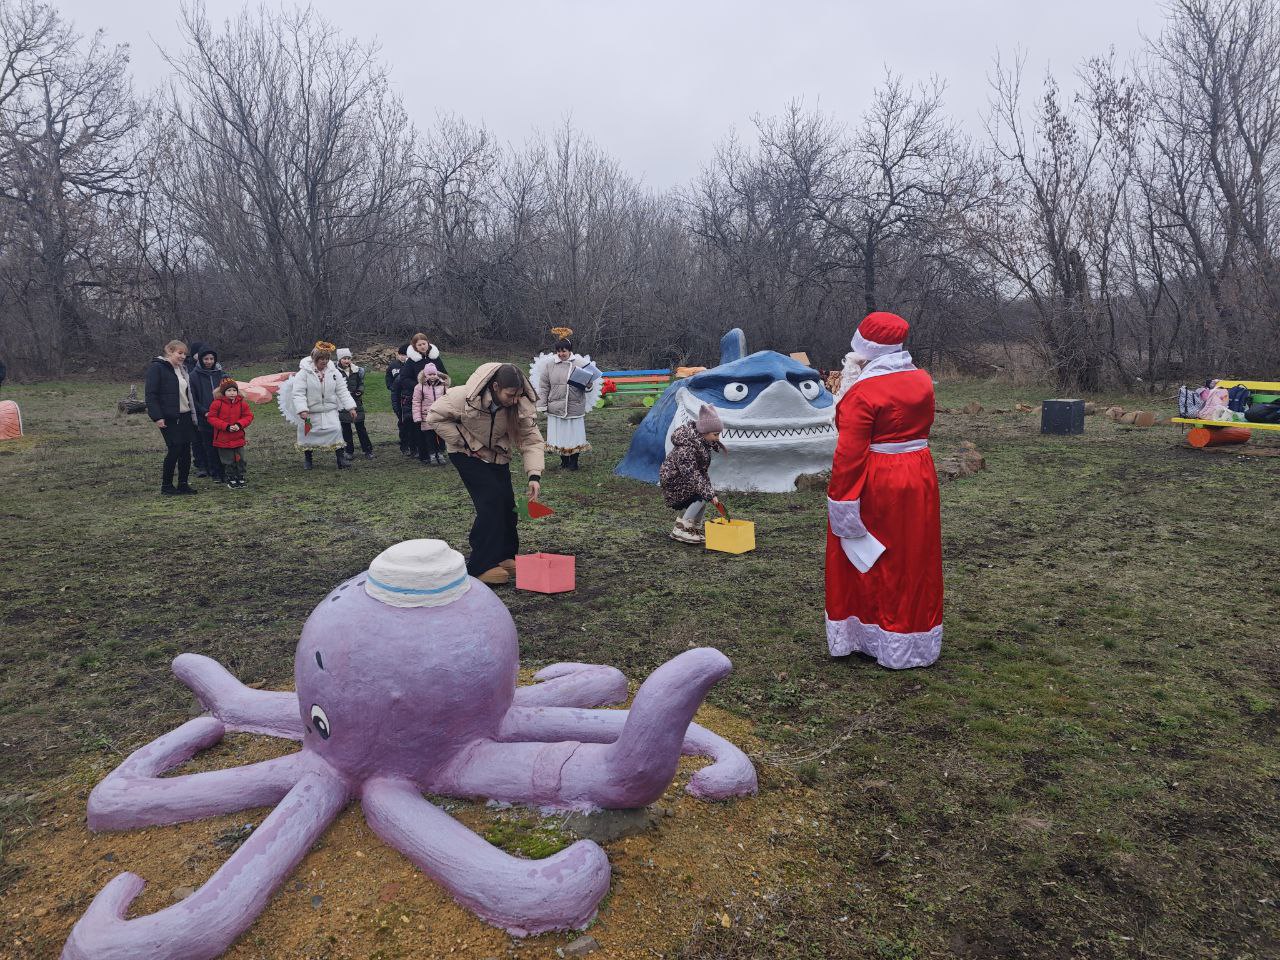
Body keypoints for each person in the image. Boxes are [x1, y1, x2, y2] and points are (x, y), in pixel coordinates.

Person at [826, 311, 943, 670]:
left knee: (874, 558)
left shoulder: (864, 391)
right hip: (919, 472)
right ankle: (913, 638)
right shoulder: (922, 379)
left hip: (879, 478)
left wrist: (842, 501)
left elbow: (849, 454)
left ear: (865, 347)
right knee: (914, 556)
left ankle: (873, 635)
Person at [425, 362, 544, 586]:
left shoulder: (520, 405)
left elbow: (531, 440)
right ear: (496, 387)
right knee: (490, 500)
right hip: (465, 454)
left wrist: (534, 475)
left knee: (507, 504)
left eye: (518, 395)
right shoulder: (463, 396)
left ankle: (504, 555)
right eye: (510, 395)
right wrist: (469, 444)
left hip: (497, 454)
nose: (515, 400)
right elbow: (434, 417)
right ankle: (481, 565)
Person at [279, 341, 359, 470]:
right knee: (307, 433)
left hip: (329, 409)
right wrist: (302, 409)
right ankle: (308, 459)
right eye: (322, 359)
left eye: (327, 358)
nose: (325, 361)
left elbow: (342, 390)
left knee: (336, 430)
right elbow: (298, 393)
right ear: (315, 358)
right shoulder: (303, 373)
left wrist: (351, 407)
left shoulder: (334, 372)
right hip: (310, 411)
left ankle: (340, 459)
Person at [659, 404, 725, 544]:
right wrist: (708, 493)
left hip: (685, 479)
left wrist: (710, 493)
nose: (718, 438)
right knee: (701, 495)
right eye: (715, 434)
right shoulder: (687, 448)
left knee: (704, 496)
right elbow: (692, 475)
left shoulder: (701, 444)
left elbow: (701, 472)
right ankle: (681, 529)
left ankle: (693, 528)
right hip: (674, 481)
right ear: (704, 432)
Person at [144, 339, 199, 495]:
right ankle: (167, 486)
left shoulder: (182, 370)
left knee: (185, 451)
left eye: (184, 354)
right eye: (179, 353)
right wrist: (157, 416)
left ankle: (183, 484)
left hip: (186, 415)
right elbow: (151, 394)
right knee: (175, 449)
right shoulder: (157, 368)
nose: (182, 357)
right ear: (169, 351)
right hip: (169, 417)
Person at [536, 335, 592, 470]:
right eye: (558, 351)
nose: (561, 354)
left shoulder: (580, 364)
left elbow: (587, 385)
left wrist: (588, 385)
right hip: (556, 406)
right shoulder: (549, 366)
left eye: (564, 351)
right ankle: (564, 461)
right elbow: (544, 387)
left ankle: (574, 462)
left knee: (574, 435)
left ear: (569, 350)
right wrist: (542, 404)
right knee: (559, 435)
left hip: (574, 406)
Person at [393, 333, 448, 460]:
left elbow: (444, 375)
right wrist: (420, 387)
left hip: (436, 397)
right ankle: (424, 453)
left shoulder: (435, 358)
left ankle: (439, 450)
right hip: (420, 397)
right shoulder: (411, 361)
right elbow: (404, 379)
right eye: (419, 345)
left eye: (424, 343)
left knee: (438, 424)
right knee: (422, 427)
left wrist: (440, 385)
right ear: (415, 346)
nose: (423, 346)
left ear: (428, 343)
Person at [189, 345, 227, 482]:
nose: (209, 361)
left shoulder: (221, 374)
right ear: (201, 359)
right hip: (205, 417)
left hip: (222, 416)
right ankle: (214, 472)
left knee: (223, 445)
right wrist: (204, 412)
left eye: (211, 359)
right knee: (210, 446)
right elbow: (193, 398)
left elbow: (230, 392)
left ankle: (226, 470)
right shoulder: (193, 376)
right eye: (206, 359)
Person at [206, 378, 254, 488]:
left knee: (241, 459)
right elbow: (212, 418)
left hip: (238, 437)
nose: (232, 393)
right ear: (223, 392)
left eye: (234, 390)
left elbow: (248, 416)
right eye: (229, 390)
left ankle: (240, 476)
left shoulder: (242, 403)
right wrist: (226, 426)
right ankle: (231, 477)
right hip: (223, 438)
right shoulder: (216, 404)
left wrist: (239, 425)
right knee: (228, 460)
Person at [335, 347, 374, 460]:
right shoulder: (335, 372)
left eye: (348, 358)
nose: (347, 361)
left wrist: (360, 390)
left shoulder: (357, 371)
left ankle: (367, 450)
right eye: (344, 358)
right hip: (342, 403)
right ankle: (349, 451)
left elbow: (361, 383)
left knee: (361, 428)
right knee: (346, 429)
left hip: (356, 402)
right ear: (339, 359)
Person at [411, 363, 451, 464]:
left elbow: (448, 400)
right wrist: (417, 417)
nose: (432, 376)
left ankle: (440, 454)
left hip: (440, 416)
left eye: (434, 374)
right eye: (430, 374)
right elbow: (416, 402)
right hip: (426, 416)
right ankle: (432, 455)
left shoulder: (443, 385)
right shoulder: (419, 387)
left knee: (441, 436)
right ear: (425, 375)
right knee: (429, 437)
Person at [387, 344, 411, 455]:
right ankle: (404, 446)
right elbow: (388, 379)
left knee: (412, 423)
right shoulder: (393, 365)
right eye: (401, 354)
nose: (402, 357)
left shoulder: (411, 365)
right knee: (402, 423)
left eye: (405, 355)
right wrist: (392, 387)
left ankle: (413, 445)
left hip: (409, 397)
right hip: (398, 397)